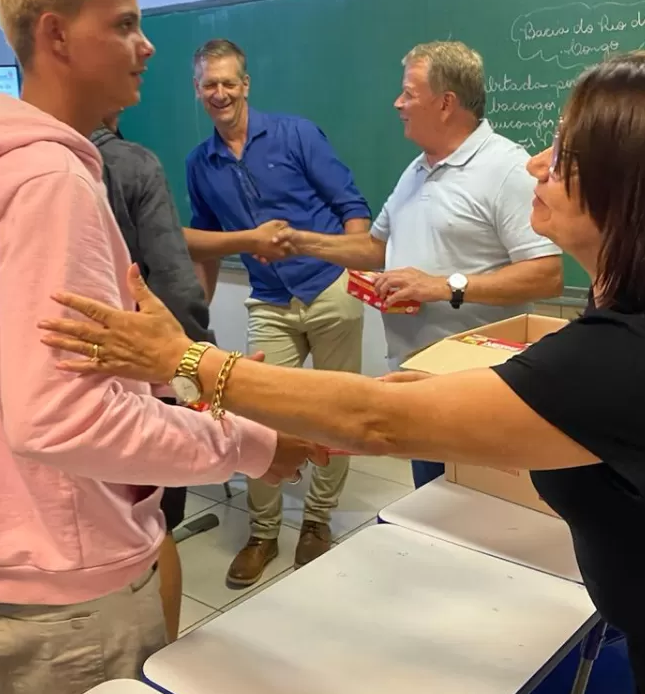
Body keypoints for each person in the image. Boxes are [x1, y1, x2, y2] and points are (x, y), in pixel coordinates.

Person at [39, 51, 645, 694]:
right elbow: (440, 400)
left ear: (632, 191)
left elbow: (375, 421)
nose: (538, 164)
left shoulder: (635, 354)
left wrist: (182, 359)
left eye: (563, 152)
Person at [0, 0, 321, 694]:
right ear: (56, 37)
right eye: (125, 24)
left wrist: (190, 383)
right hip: (64, 587)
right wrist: (248, 441)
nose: (149, 44)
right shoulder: (51, 184)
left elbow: (59, 375)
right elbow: (61, 420)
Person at [272, 41, 563, 488]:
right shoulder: (417, 169)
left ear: (445, 103)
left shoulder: (507, 168)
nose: (397, 103)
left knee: (476, 503)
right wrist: (300, 242)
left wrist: (444, 286)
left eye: (408, 93)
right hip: (415, 376)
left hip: (475, 386)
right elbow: (374, 248)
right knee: (430, 496)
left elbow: (546, 273)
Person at [182, 38, 372, 585]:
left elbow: (352, 209)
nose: (220, 93)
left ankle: (316, 522)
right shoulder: (202, 163)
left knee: (336, 415)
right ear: (199, 91)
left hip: (331, 288)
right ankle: (263, 531)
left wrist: (353, 270)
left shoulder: (296, 134)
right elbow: (210, 241)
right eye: (209, 85)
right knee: (259, 413)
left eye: (228, 83)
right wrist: (199, 316)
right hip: (269, 299)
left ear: (246, 85)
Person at [92, 111, 212, 642]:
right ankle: (157, 664)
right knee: (156, 522)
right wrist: (199, 370)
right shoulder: (132, 163)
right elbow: (172, 280)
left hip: (74, 386)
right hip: (145, 376)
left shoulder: (2, 165)